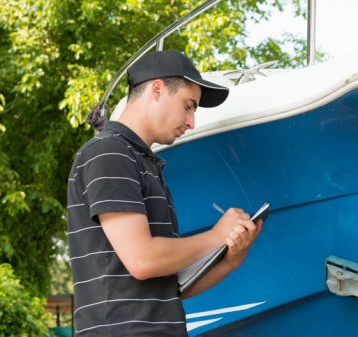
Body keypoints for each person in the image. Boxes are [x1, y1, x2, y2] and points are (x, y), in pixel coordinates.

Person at [67, 50, 262, 337]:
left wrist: (230, 259)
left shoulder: (144, 163)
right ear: (157, 89)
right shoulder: (108, 152)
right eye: (188, 106)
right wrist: (216, 235)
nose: (191, 121)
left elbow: (171, 289)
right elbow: (144, 260)